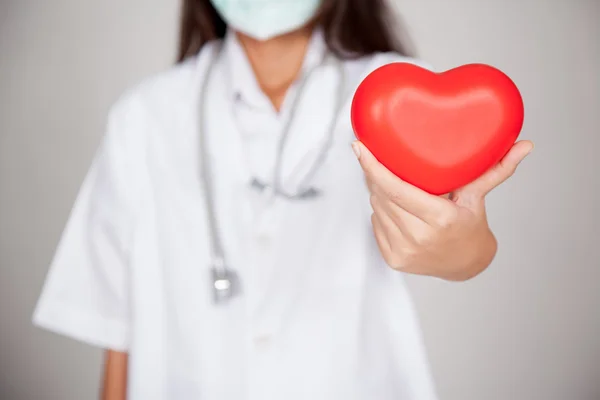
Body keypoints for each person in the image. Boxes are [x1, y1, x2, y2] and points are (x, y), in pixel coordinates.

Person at [33, 0, 533, 399]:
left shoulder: (394, 94)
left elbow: (460, 239)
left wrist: (465, 250)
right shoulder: (144, 117)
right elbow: (119, 330)